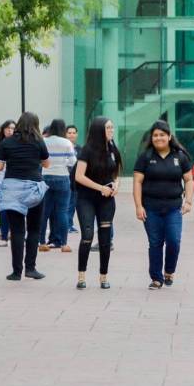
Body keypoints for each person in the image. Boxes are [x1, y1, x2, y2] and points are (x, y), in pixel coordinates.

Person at [133, 120, 193, 289]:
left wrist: (188, 201)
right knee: (155, 243)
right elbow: (137, 182)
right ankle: (156, 278)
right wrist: (139, 206)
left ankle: (169, 270)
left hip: (174, 208)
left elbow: (188, 179)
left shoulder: (180, 156)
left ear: (169, 136)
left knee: (174, 241)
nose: (158, 138)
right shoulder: (145, 157)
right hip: (151, 208)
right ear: (151, 138)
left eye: (162, 135)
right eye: (155, 135)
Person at [0, 112, 51, 281]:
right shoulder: (38, 141)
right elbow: (47, 163)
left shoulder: (7, 142)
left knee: (17, 230)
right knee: (34, 229)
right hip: (33, 187)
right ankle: (31, 268)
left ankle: (16, 271)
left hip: (13, 188)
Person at [74, 117, 122, 289]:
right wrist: (100, 187)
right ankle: (81, 276)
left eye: (112, 127)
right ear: (98, 130)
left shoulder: (112, 148)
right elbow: (79, 176)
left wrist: (116, 184)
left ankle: (103, 276)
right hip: (86, 198)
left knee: (105, 239)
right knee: (87, 236)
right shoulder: (87, 150)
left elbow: (115, 172)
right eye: (108, 127)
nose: (111, 130)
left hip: (107, 200)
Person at [38, 118, 77, 253]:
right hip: (62, 177)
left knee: (45, 211)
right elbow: (72, 161)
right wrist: (63, 162)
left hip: (46, 176)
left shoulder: (44, 141)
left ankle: (42, 242)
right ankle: (64, 243)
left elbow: (40, 159)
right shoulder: (66, 142)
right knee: (62, 211)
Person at [0, 120, 15, 246]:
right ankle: (4, 236)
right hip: (0, 179)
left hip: (14, 179)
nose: (10, 131)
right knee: (2, 209)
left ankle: (15, 233)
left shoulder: (19, 143)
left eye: (12, 128)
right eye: (7, 128)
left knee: (15, 209)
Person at [66, 124, 81, 235]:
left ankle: (69, 225)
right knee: (65, 204)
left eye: (73, 133)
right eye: (69, 133)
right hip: (64, 180)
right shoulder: (63, 147)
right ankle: (64, 225)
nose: (71, 135)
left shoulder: (80, 149)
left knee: (72, 204)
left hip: (76, 181)